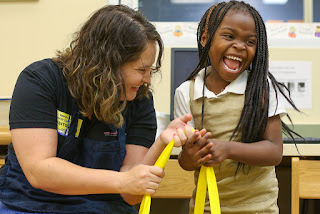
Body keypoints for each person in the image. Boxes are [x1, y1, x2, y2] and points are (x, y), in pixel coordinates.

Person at [0, 4, 193, 214]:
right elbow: (39, 171)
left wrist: (162, 142)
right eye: (141, 70)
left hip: (104, 208)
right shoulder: (40, 80)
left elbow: (131, 194)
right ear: (108, 63)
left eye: (150, 70)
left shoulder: (140, 100)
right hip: (27, 204)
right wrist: (121, 180)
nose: (146, 80)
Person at [174, 1, 303, 213]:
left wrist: (227, 149)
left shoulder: (261, 89)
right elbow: (187, 163)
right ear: (205, 38)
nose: (240, 46)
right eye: (229, 36)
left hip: (259, 208)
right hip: (207, 208)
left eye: (250, 41)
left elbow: (274, 151)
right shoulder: (187, 93)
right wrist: (190, 155)